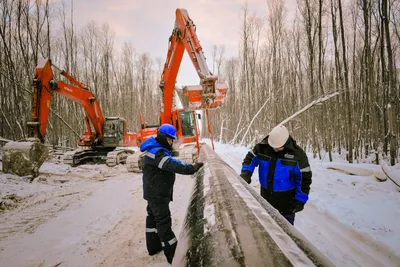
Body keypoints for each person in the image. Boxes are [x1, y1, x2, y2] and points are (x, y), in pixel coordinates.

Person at [141, 123, 204, 264]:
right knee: (164, 223)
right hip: (157, 195)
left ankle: (153, 247)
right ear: (163, 137)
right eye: (170, 139)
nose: (171, 142)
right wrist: (192, 168)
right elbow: (172, 165)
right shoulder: (157, 152)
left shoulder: (155, 149)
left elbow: (171, 161)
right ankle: (174, 256)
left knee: (152, 219)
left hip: (153, 193)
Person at [239, 125, 312, 225]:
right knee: (266, 228)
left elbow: (304, 180)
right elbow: (250, 158)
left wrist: (300, 200)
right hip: (265, 198)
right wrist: (246, 173)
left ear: (285, 143)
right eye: (273, 147)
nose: (275, 149)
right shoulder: (262, 147)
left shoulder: (298, 155)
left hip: (287, 203)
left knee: (285, 234)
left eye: (278, 147)